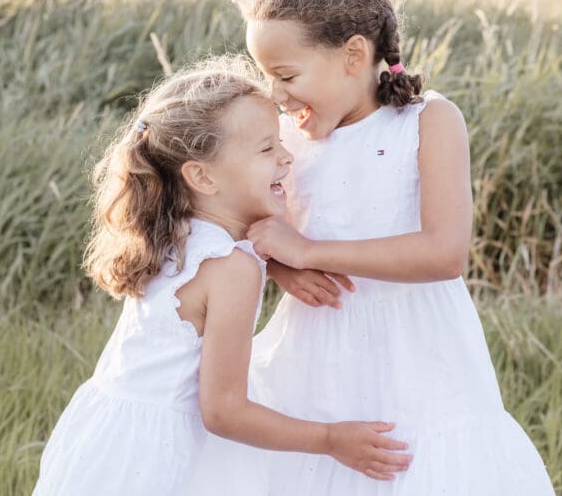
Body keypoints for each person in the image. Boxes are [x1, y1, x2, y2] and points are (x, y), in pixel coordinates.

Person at [239, 0, 556, 494]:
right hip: (317, 355)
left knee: (415, 469)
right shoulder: (284, 138)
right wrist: (280, 267)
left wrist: (310, 252)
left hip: (421, 359)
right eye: (264, 76)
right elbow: (245, 225)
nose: (275, 94)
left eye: (287, 75)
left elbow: (444, 252)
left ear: (354, 55)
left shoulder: (429, 122)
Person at [33, 58, 411, 495]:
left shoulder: (173, 232)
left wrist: (278, 263)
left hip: (103, 440)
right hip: (158, 459)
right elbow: (225, 412)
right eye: (268, 149)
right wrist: (329, 440)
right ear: (202, 176)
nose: (287, 157)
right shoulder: (233, 269)